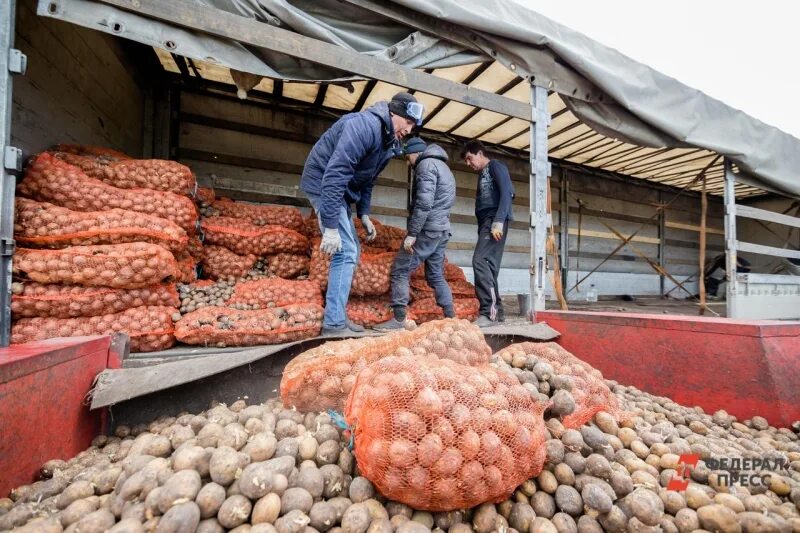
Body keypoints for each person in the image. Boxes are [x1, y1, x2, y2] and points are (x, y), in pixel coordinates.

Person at [301, 92, 424, 334]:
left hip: (343, 191)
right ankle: (334, 323)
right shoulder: (362, 126)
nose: (409, 130)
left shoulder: (389, 142)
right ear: (394, 113)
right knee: (345, 250)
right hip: (323, 184)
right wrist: (331, 227)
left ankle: (337, 316)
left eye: (412, 126)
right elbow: (335, 174)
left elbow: (368, 180)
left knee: (352, 249)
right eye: (408, 123)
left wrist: (364, 214)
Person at [375, 138, 456, 330]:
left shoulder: (426, 165)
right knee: (435, 274)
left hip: (428, 229)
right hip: (442, 228)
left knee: (400, 269)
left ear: (416, 153)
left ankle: (399, 319)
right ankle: (451, 316)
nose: (407, 161)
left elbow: (424, 203)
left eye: (407, 156)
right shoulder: (444, 167)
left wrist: (412, 233)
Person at [461, 140, 514, 326]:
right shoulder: (482, 173)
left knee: (480, 261)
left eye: (469, 158)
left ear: (480, 153)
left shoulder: (495, 166)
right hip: (486, 222)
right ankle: (497, 313)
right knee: (489, 266)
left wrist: (498, 221)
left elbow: (507, 192)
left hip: (495, 220)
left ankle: (488, 312)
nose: (469, 164)